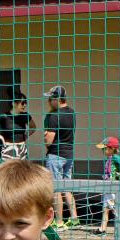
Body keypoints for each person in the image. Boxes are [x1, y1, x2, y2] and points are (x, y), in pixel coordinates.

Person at [43, 85, 79, 230]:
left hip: (56, 154)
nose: (49, 101)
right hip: (69, 154)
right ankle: (74, 219)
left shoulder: (54, 116)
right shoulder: (72, 112)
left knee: (56, 188)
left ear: (57, 99)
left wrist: (46, 136)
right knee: (67, 187)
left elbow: (49, 141)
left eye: (50, 99)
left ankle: (59, 222)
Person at [92, 136, 120, 235]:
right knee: (106, 208)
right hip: (108, 187)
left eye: (104, 148)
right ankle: (102, 229)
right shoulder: (109, 159)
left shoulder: (115, 157)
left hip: (113, 188)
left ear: (111, 148)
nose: (103, 151)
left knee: (115, 208)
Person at [0, 92, 36, 160]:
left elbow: (33, 127)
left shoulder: (25, 116)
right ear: (14, 103)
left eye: (25, 103)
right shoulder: (4, 116)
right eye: (22, 103)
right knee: (9, 167)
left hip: (22, 149)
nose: (24, 105)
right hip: (8, 149)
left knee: (22, 167)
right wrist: (0, 137)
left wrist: (25, 136)